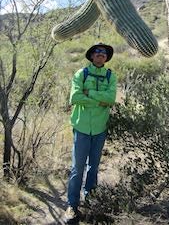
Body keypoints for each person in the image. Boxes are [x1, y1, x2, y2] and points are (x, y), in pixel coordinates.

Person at [65, 43, 117, 223]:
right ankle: (72, 205)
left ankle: (90, 200)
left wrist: (90, 94)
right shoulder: (81, 74)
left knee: (93, 167)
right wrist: (99, 100)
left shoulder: (110, 76)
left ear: (106, 57)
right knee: (77, 168)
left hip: (100, 128)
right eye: (97, 52)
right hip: (81, 127)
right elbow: (74, 98)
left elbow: (110, 99)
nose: (101, 54)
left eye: (104, 53)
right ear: (92, 55)